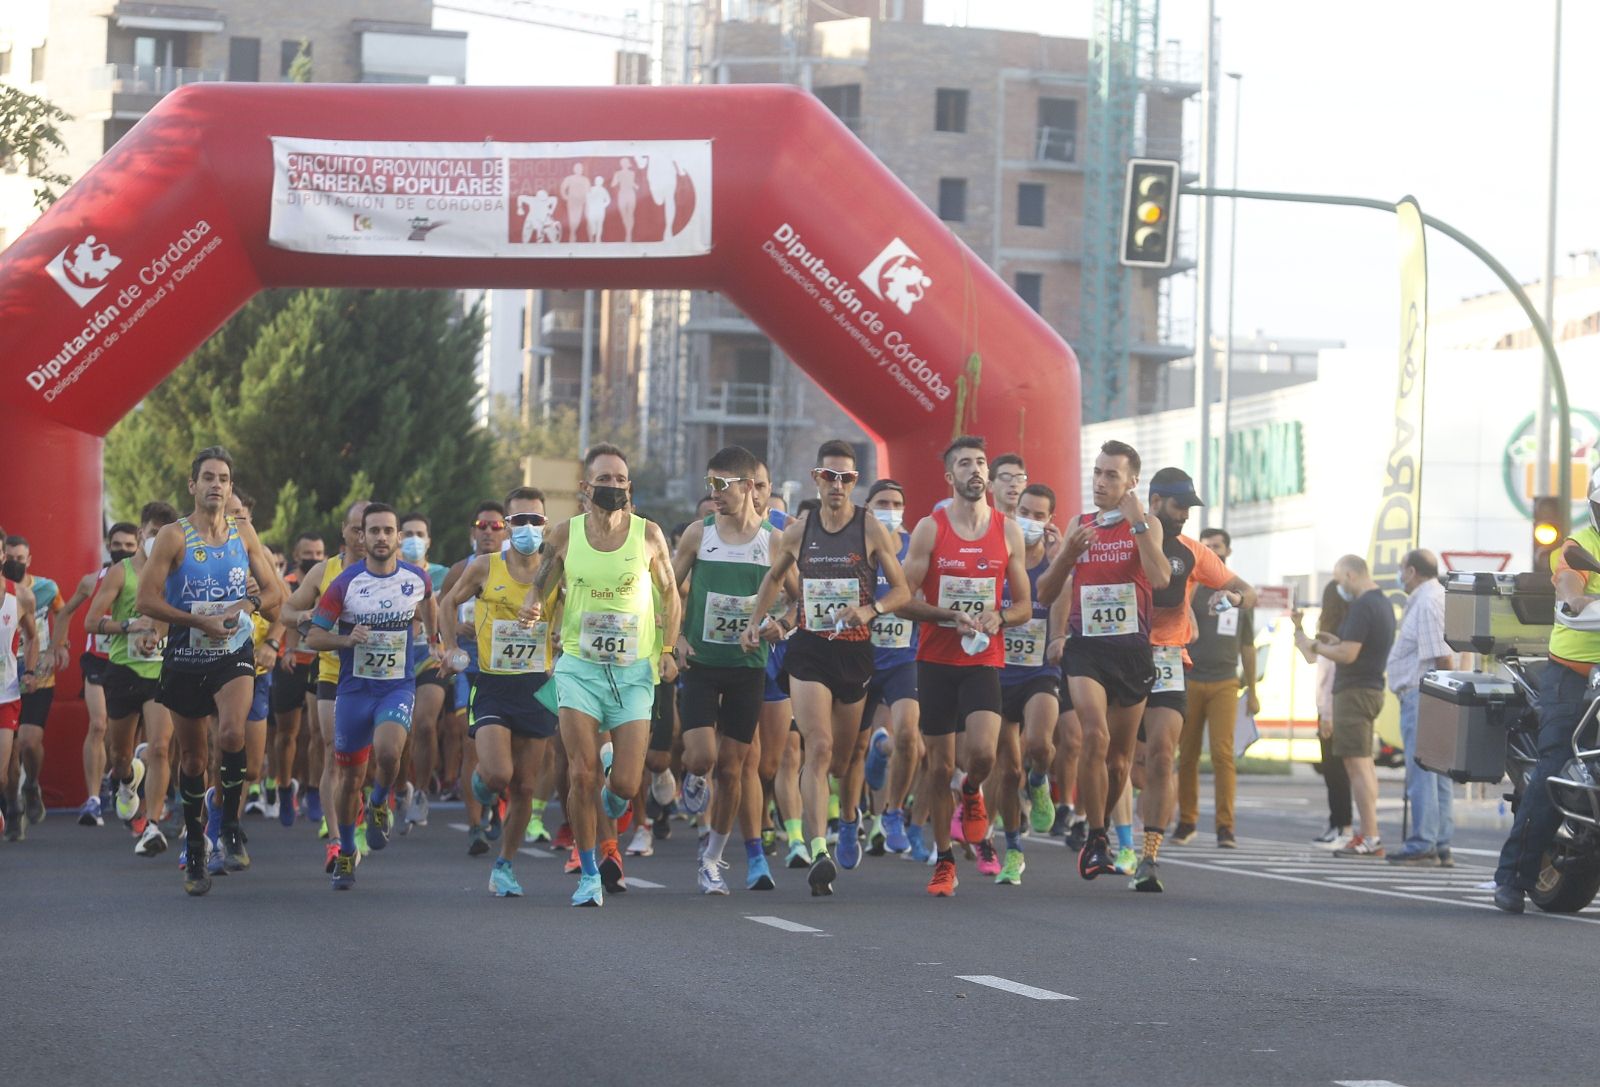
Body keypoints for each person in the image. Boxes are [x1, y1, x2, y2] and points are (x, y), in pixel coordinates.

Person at [741, 440, 910, 896]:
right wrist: (757, 623)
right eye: (830, 476)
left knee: (838, 761)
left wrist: (869, 611)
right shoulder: (800, 529)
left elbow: (901, 591)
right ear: (817, 478)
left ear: (855, 482)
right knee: (816, 746)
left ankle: (848, 810)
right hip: (811, 649)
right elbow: (774, 577)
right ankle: (819, 849)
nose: (838, 485)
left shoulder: (871, 527)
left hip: (853, 652)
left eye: (848, 478)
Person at [521, 443, 682, 907]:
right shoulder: (565, 534)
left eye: (619, 479)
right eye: (604, 479)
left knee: (627, 786)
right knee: (582, 773)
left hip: (633, 672)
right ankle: (589, 871)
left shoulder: (649, 535)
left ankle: (613, 805)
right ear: (585, 486)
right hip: (579, 668)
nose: (612, 486)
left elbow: (671, 596)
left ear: (629, 487)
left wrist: (668, 649)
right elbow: (544, 579)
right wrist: (536, 601)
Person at [136, 447, 284, 894]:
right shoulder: (172, 536)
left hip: (233, 650)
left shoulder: (245, 534)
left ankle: (231, 826)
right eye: (207, 477)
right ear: (192, 485)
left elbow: (277, 594)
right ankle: (197, 844)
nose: (216, 484)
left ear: (231, 487)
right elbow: (146, 600)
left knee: (232, 736)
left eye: (223, 478)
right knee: (195, 758)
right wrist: (197, 620)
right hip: (185, 653)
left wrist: (246, 606)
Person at [897, 436, 1030, 896]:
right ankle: (945, 862)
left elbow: (1026, 606)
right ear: (949, 477)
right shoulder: (930, 530)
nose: (975, 470)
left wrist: (1001, 616)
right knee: (936, 768)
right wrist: (947, 615)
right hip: (935, 659)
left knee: (984, 756)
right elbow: (902, 602)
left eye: (980, 463)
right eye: (964, 464)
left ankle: (971, 791)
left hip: (983, 660)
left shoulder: (1007, 530)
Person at [1036, 440, 1169, 880]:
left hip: (1131, 652)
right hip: (1086, 648)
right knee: (1094, 735)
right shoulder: (1080, 523)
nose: (1100, 481)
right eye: (1097, 472)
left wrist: (1137, 526)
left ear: (1132, 482)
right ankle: (1094, 834)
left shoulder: (1146, 523)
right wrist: (1069, 553)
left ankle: (1102, 829)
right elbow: (1046, 592)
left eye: (1111, 475)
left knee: (1119, 761)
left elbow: (1161, 578)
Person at [1128, 469, 1255, 891]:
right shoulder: (1123, 537)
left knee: (1164, 755)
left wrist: (1232, 596)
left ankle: (1149, 856)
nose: (1185, 514)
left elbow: (1246, 590)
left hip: (1168, 658)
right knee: (1125, 761)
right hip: (1120, 656)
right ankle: (1111, 834)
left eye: (1189, 508)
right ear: (1157, 500)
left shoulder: (1193, 551)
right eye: (1180, 506)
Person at [304, 503, 437, 891]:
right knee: (348, 778)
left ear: (397, 537)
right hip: (353, 690)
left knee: (389, 751)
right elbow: (313, 636)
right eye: (373, 531)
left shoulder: (416, 579)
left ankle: (380, 801)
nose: (381, 538)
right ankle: (346, 850)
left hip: (396, 687)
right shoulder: (344, 584)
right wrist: (347, 639)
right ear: (362, 536)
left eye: (388, 531)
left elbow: (430, 605)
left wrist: (438, 643)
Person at [671, 447, 786, 894]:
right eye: (709, 485)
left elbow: (797, 600)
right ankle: (691, 775)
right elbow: (669, 588)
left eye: (721, 485)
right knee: (702, 756)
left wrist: (782, 625)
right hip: (702, 663)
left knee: (734, 769)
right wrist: (673, 638)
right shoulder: (699, 535)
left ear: (747, 487)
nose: (714, 494)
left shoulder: (773, 542)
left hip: (747, 667)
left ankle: (713, 859)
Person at [439, 487, 555, 895]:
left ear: (546, 525)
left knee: (524, 785)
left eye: (534, 520)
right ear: (507, 526)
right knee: (498, 774)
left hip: (538, 687)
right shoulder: (486, 567)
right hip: (492, 683)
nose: (526, 528)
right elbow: (446, 604)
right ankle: (481, 783)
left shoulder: (558, 570)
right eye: (518, 520)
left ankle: (505, 865)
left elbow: (574, 617)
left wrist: (559, 639)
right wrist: (450, 646)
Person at [1495, 468, 1600, 913]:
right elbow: (1570, 592)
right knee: (1554, 762)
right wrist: (1579, 601)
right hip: (1573, 672)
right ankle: (1512, 878)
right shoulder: (1577, 548)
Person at [992, 482, 1068, 885]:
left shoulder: (1055, 566)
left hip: (1040, 670)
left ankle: (1039, 782)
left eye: (1039, 515)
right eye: (1026, 511)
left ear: (1050, 521)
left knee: (1039, 744)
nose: (1031, 521)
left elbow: (1062, 601)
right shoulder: (1000, 558)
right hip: (1001, 671)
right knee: (1007, 771)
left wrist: (1059, 561)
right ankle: (1013, 851)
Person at [1294, 554, 1395, 859]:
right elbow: (1353, 646)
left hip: (1355, 690)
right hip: (1371, 687)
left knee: (1357, 766)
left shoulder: (1363, 605)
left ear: (1351, 575)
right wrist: (1329, 642)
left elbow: (1349, 655)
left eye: (1339, 580)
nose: (1340, 587)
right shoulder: (1382, 602)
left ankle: (1370, 836)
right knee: (1362, 766)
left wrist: (1316, 646)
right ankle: (1369, 834)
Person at [1174, 526, 1261, 848]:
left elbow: (1248, 647)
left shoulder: (1238, 591)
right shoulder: (1193, 587)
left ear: (1227, 551)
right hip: (1192, 677)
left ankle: (1226, 827)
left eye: (1217, 546)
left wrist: (1252, 690)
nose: (1212, 551)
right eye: (1206, 546)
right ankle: (1187, 821)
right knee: (1187, 756)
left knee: (1223, 755)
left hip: (1226, 681)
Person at [52, 522, 140, 826]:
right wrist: (58, 646)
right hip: (97, 661)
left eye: (130, 545)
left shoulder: (145, 578)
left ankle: (121, 778)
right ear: (107, 544)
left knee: (126, 737)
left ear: (139, 546)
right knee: (99, 724)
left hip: (132, 662)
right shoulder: (92, 581)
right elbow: (65, 612)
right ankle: (92, 799)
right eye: (118, 544)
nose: (123, 550)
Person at [861, 479, 920, 856]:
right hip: (862, 659)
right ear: (867, 508)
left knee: (908, 737)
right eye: (882, 502)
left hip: (904, 658)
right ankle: (867, 817)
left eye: (897, 503)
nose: (890, 509)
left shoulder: (915, 547)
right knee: (853, 749)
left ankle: (895, 811)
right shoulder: (855, 548)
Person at [1385, 549, 1455, 866]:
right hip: (1430, 694)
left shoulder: (1428, 601)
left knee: (1423, 771)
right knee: (1437, 771)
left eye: (1402, 570)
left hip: (1423, 694)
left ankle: (1423, 843)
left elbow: (1441, 657)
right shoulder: (1433, 598)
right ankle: (1439, 842)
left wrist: (1439, 699)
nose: (1401, 576)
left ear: (1412, 571)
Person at [4, 535, 62, 830]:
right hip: (6, 676)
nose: (14, 562)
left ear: (29, 560)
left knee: (28, 742)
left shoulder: (44, 588)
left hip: (36, 674)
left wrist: (57, 648)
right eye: (9, 556)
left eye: (19, 558)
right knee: (10, 755)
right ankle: (13, 805)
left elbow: (62, 614)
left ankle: (32, 785)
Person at [399, 511, 451, 832]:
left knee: (424, 724)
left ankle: (420, 791)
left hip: (432, 654)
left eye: (420, 534)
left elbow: (451, 607)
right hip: (395, 658)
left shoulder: (445, 575)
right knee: (400, 730)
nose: (413, 540)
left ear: (429, 540)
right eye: (407, 534)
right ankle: (400, 783)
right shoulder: (387, 573)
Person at [0, 570, 41, 840]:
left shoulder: (21, 597)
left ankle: (13, 804)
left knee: (4, 770)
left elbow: (33, 637)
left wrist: (30, 670)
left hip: (6, 695)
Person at [987, 454, 1027, 520]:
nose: (1014, 484)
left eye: (1019, 477)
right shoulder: (981, 525)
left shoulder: (1033, 527)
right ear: (990, 485)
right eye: (1005, 477)